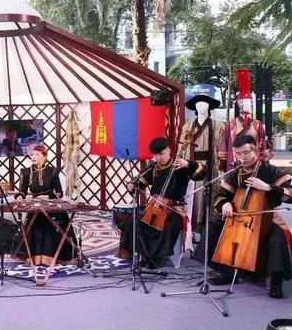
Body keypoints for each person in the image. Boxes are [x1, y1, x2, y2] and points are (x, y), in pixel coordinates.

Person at [207, 134, 292, 299]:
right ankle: (226, 272)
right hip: (241, 218)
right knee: (215, 227)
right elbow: (220, 195)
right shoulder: (236, 173)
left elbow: (290, 193)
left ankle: (276, 282)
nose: (242, 157)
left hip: (267, 219)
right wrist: (225, 204)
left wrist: (268, 187)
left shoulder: (270, 170)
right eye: (238, 154)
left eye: (245, 152)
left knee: (277, 237)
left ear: (255, 149)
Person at [119, 137, 207, 268]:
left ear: (169, 150)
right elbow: (139, 185)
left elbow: (202, 173)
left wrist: (188, 164)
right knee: (133, 221)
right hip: (153, 207)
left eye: (161, 154)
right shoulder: (153, 167)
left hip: (174, 209)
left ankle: (155, 258)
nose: (158, 157)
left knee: (166, 226)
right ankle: (144, 254)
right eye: (155, 154)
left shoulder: (180, 166)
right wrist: (132, 186)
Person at [14, 146, 76, 265]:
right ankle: (35, 258)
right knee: (34, 227)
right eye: (32, 155)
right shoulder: (26, 172)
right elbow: (22, 190)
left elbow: (59, 192)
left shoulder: (53, 172)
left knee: (51, 227)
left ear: (44, 157)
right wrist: (21, 196)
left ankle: (53, 256)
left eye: (37, 155)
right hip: (35, 205)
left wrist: (49, 197)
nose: (33, 157)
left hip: (51, 206)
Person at [181, 95, 223, 254]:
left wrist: (221, 166)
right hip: (192, 169)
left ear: (209, 107)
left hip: (210, 168)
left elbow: (222, 148)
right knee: (193, 200)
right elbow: (182, 148)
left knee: (209, 199)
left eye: (205, 104)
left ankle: (207, 236)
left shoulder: (218, 125)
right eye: (198, 104)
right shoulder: (187, 126)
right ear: (194, 107)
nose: (201, 106)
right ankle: (191, 235)